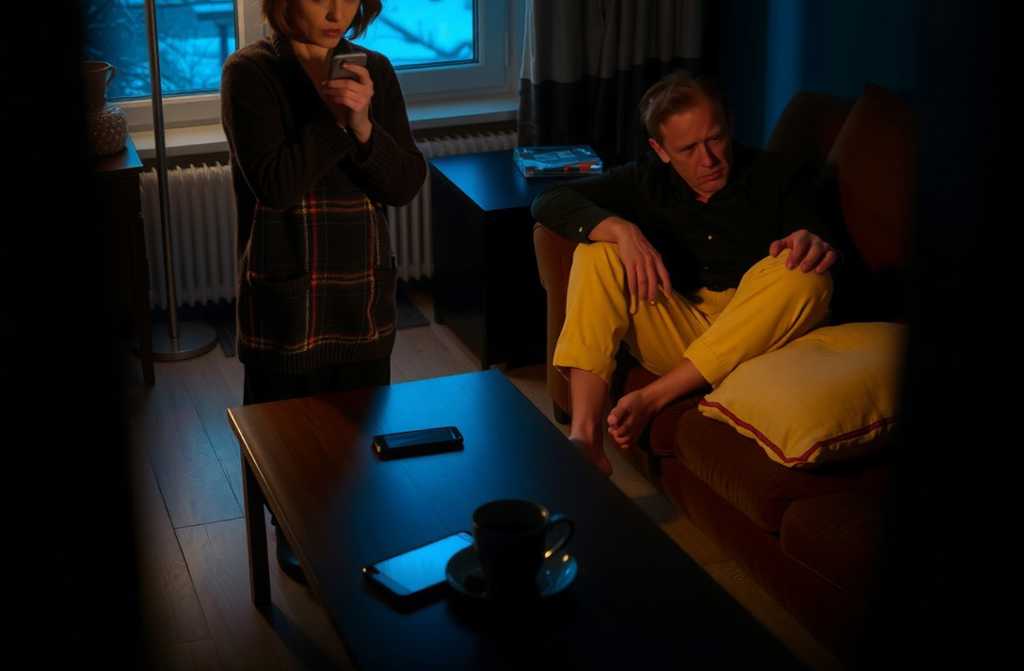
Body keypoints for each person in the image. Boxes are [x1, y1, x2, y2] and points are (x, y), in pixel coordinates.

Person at [532, 71, 839, 476]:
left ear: (728, 126)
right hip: (679, 327)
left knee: (805, 276)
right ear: (660, 150)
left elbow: (815, 234)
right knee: (596, 253)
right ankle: (586, 437)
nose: (707, 160)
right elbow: (548, 200)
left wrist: (810, 240)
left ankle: (656, 396)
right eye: (688, 149)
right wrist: (623, 231)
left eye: (715, 139)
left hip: (757, 333)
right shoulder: (645, 181)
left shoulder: (777, 174)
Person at [221, 0, 426, 582]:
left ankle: (354, 526)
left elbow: (404, 183)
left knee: (361, 434)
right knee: (283, 440)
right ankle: (291, 527)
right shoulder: (251, 72)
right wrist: (336, 119)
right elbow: (277, 185)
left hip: (360, 288)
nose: (337, 10)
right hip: (285, 296)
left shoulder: (374, 69)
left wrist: (364, 127)